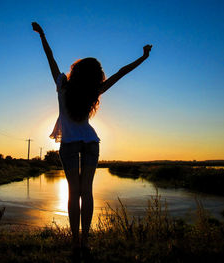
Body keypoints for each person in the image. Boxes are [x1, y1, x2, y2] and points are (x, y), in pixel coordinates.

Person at [32, 22, 152, 254]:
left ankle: (75, 241)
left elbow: (51, 57)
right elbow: (121, 73)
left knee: (73, 192)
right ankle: (85, 242)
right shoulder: (94, 90)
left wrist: (42, 35)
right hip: (90, 143)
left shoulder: (62, 85)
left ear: (75, 71)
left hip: (69, 145)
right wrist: (144, 57)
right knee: (86, 192)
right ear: (95, 75)